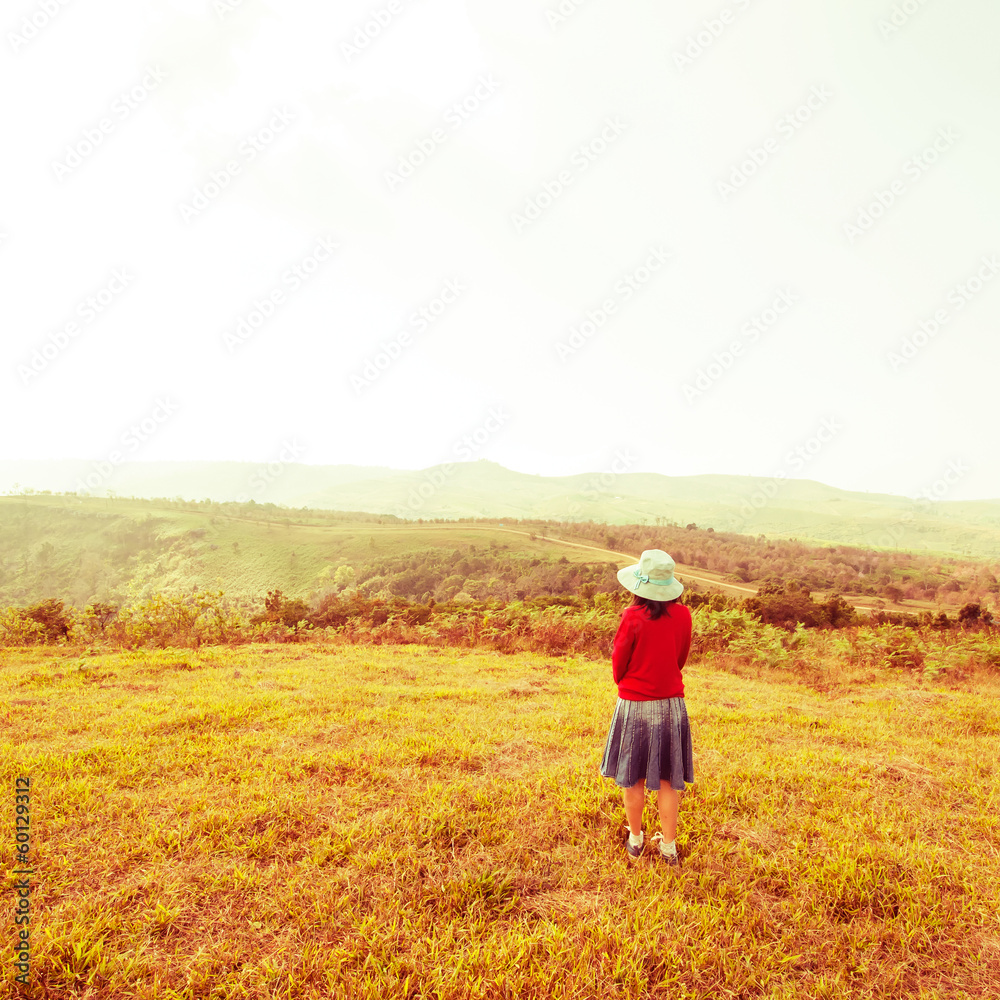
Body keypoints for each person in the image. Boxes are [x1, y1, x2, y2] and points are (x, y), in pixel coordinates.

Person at [599, 549, 694, 866]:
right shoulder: (684, 616)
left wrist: (628, 681)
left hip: (635, 704)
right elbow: (680, 659)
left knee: (633, 778)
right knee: (669, 780)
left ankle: (636, 840)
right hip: (671, 706)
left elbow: (618, 663)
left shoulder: (632, 616)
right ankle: (668, 848)